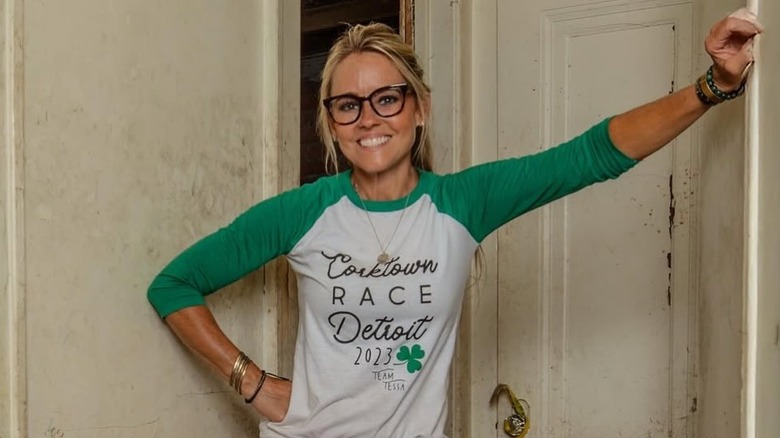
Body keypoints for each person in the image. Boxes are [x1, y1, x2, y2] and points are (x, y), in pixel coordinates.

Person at [147, 9, 762, 437]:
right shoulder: (305, 212)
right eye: (347, 105)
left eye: (387, 98)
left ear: (420, 108)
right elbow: (173, 286)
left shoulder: (464, 203)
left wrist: (713, 84)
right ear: (332, 122)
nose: (369, 119)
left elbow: (591, 155)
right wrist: (251, 382)